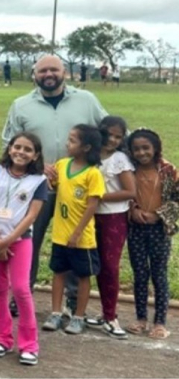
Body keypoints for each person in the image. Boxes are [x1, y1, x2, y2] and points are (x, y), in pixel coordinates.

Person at [2, 54, 107, 317]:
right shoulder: (21, 105)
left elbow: (107, 133)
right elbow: (9, 142)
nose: (48, 75)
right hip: (36, 186)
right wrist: (37, 165)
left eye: (54, 70)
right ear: (34, 75)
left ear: (65, 73)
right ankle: (21, 293)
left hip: (77, 190)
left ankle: (72, 300)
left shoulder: (87, 100)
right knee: (28, 241)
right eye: (42, 71)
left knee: (74, 243)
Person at [0, 132, 49, 366]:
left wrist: (7, 241)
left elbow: (31, 216)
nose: (21, 152)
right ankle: (3, 339)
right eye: (17, 147)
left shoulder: (39, 181)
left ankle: (29, 345)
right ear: (10, 149)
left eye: (27, 149)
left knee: (21, 289)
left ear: (36, 155)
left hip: (19, 240)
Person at [42, 125, 104, 335]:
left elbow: (92, 205)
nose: (67, 144)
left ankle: (78, 316)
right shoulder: (62, 164)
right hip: (60, 234)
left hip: (81, 237)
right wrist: (46, 173)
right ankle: (56, 313)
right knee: (58, 272)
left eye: (73, 141)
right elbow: (52, 184)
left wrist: (77, 233)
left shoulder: (93, 174)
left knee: (82, 276)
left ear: (86, 147)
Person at [84, 116, 135, 338]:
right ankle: (88, 311)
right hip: (88, 217)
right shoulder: (89, 156)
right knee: (90, 263)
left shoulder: (119, 158)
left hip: (113, 217)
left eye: (118, 136)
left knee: (110, 266)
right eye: (108, 134)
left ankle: (111, 316)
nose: (112, 140)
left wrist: (99, 196)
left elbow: (130, 191)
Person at [125, 128, 178, 339]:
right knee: (139, 273)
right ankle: (140, 318)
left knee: (159, 274)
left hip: (159, 229)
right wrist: (133, 210)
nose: (141, 153)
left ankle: (160, 322)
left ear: (155, 148)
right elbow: (123, 193)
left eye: (146, 148)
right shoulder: (129, 170)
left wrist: (159, 215)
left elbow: (176, 199)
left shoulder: (168, 171)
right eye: (136, 149)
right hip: (136, 227)